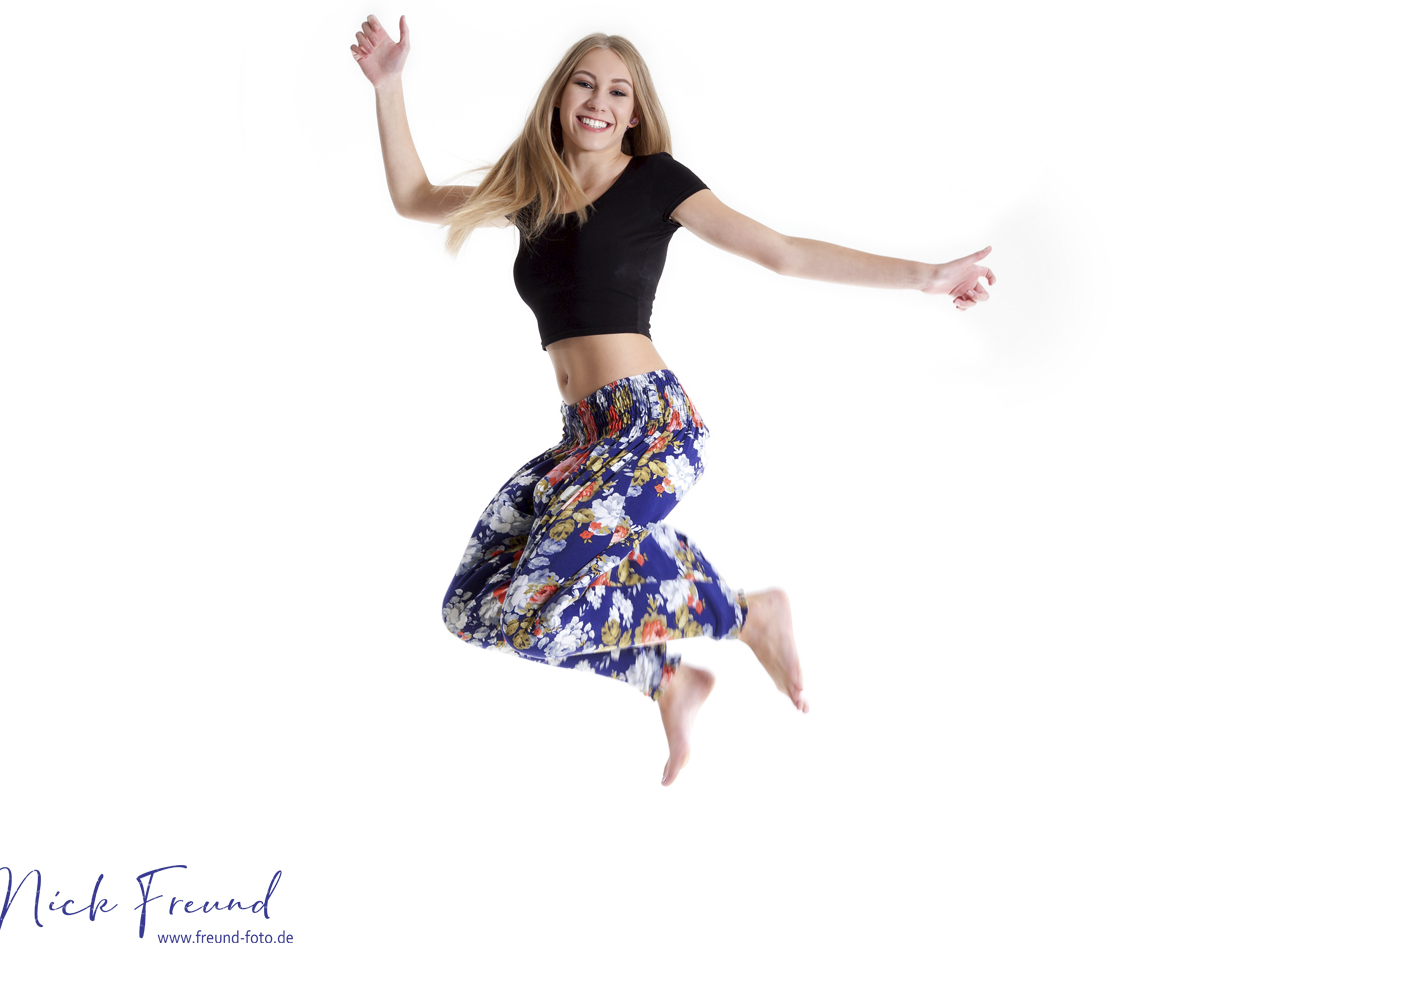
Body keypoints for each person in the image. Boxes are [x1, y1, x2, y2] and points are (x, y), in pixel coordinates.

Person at [351, 18, 995, 786]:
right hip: (582, 442)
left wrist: (930, 277)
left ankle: (745, 616)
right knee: (472, 610)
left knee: (535, 604)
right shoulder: (531, 191)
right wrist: (389, 85)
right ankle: (668, 679)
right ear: (559, 97)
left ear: (634, 113)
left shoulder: (655, 180)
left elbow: (783, 252)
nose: (599, 102)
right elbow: (415, 197)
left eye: (618, 92)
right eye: (584, 84)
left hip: (652, 430)